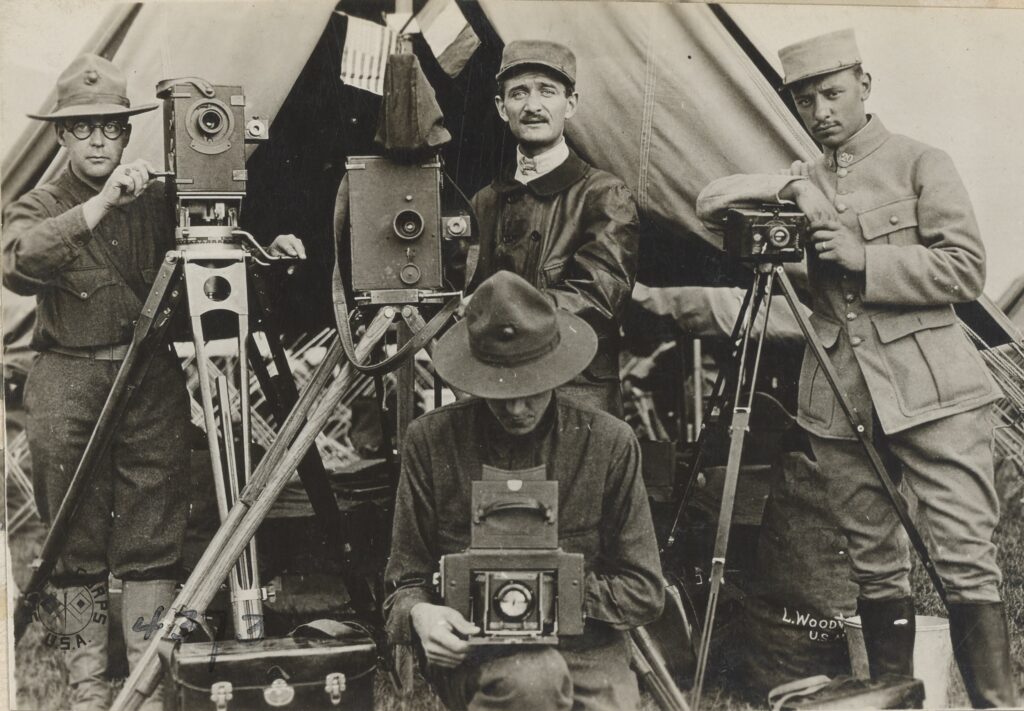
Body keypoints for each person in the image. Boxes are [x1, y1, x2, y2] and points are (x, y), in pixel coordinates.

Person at [695, 30, 1016, 707]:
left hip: (936, 393)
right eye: (806, 99)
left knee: (964, 556)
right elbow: (709, 202)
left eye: (833, 92)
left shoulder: (922, 163)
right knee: (872, 561)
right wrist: (790, 186)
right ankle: (894, 696)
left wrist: (864, 256)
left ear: (864, 87)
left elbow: (965, 268)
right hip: (841, 397)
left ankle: (997, 702)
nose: (822, 112)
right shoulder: (800, 178)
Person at [2, 54, 305, 711]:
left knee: (152, 525)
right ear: (60, 137)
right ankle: (88, 679)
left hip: (148, 377)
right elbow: (19, 264)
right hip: (67, 375)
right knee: (73, 529)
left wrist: (265, 235)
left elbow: (217, 225)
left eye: (111, 128)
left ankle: (147, 669)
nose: (100, 142)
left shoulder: (159, 194)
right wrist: (103, 205)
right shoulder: (44, 202)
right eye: (84, 130)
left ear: (125, 132)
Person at [384, 270, 664, 710]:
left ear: (557, 372)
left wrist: (553, 596)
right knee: (534, 680)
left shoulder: (608, 443)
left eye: (530, 388)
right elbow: (405, 584)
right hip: (480, 653)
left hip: (585, 647)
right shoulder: (431, 441)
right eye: (500, 390)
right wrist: (422, 615)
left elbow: (644, 589)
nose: (517, 407)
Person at [467, 40, 640, 416]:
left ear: (571, 104)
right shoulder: (484, 202)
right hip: (499, 393)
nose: (532, 106)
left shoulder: (605, 195)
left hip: (575, 392)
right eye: (518, 93)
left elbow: (599, 299)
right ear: (502, 108)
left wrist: (503, 312)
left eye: (547, 91)